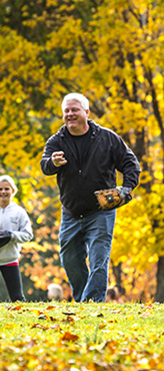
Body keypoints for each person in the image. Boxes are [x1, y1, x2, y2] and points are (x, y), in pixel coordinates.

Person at [40, 93, 141, 302]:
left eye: (74, 110)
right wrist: (53, 163)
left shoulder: (108, 138)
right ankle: (81, 300)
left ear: (86, 112)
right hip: (71, 212)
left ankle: (91, 303)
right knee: (70, 260)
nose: (70, 114)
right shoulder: (56, 141)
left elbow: (131, 164)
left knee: (99, 261)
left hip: (101, 211)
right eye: (66, 111)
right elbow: (45, 165)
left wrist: (126, 188)